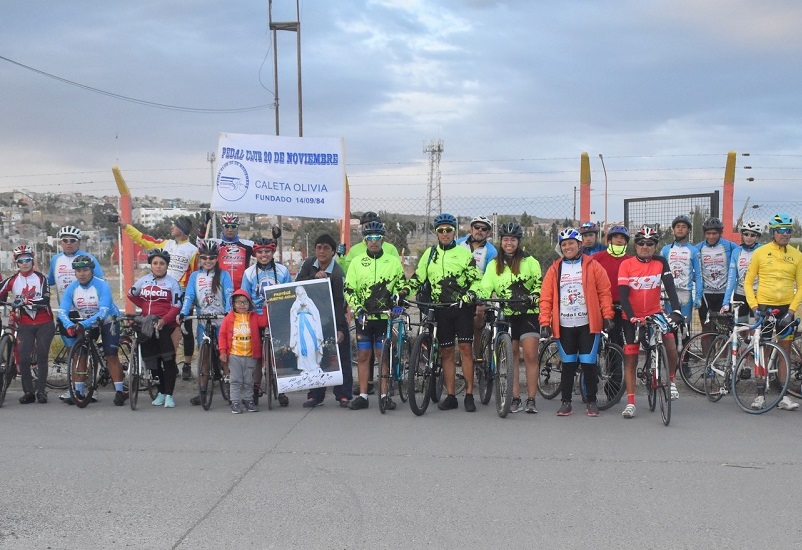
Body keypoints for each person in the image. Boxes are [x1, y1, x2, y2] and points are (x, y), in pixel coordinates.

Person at [401, 213, 481, 412]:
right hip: (440, 309)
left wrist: (470, 295)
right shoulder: (430, 254)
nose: (445, 234)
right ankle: (451, 395)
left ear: (454, 231)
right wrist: (404, 291)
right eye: (441, 230)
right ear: (436, 232)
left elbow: (477, 281)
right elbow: (419, 279)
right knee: (446, 352)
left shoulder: (464, 254)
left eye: (448, 230)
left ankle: (469, 394)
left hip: (462, 308)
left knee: (465, 350)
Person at [539, 228, 615, 416]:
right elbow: (546, 297)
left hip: (588, 323)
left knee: (589, 364)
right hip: (564, 324)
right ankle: (566, 402)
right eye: (564, 244)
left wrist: (607, 315)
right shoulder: (555, 268)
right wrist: (544, 321)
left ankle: (592, 401)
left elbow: (604, 291)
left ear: (579, 244)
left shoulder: (593, 265)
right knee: (568, 365)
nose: (567, 247)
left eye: (571, 243)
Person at [119, 215, 198, 380]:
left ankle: (187, 364)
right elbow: (144, 240)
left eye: (174, 225)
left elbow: (194, 275)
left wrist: (192, 300)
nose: (171, 228)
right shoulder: (166, 244)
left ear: (182, 229)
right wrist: (126, 226)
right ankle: (167, 364)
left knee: (185, 330)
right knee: (163, 330)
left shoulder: (193, 250)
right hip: (162, 292)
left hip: (181, 293)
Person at [618, 227, 685, 418]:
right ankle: (631, 402)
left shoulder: (661, 262)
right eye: (641, 243)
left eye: (650, 244)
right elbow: (623, 296)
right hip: (632, 316)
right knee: (631, 358)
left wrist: (677, 310)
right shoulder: (627, 264)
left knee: (670, 343)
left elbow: (671, 289)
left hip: (655, 313)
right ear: (635, 245)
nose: (645, 247)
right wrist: (632, 317)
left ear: (655, 246)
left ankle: (671, 382)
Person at [478, 222, 542, 413]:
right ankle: (514, 398)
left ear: (518, 242)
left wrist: (535, 295)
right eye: (505, 239)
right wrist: (479, 296)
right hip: (506, 313)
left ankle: (531, 399)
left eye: (512, 239)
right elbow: (485, 286)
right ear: (501, 242)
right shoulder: (493, 264)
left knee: (530, 355)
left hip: (528, 312)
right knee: (511, 356)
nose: (509, 243)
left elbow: (539, 283)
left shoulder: (530, 261)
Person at [343, 222, 406, 411]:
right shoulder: (356, 262)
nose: (373, 242)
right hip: (364, 316)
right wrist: (357, 307)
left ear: (382, 239)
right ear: (365, 240)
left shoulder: (392, 262)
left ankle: (385, 394)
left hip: (384, 317)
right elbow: (349, 288)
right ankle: (363, 395)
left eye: (377, 238)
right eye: (369, 238)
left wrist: (397, 303)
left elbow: (401, 286)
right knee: (363, 355)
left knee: (382, 355)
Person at [743, 213, 802, 411]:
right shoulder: (761, 253)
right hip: (764, 308)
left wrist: (792, 311)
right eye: (782, 231)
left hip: (786, 309)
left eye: (788, 230)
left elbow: (801, 287)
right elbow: (748, 282)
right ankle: (760, 395)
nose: (786, 234)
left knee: (785, 350)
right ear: (773, 232)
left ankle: (783, 397)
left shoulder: (797, 255)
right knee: (763, 351)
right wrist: (753, 306)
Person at [58, 255, 126, 406]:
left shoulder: (102, 285)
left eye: (85, 270)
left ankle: (120, 391)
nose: (82, 273)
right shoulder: (72, 288)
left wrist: (84, 324)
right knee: (81, 353)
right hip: (87, 323)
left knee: (110, 355)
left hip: (108, 320)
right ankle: (79, 390)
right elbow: (62, 311)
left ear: (92, 271)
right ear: (75, 273)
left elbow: (103, 311)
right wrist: (69, 325)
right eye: (78, 270)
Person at [296, 234, 353, 408]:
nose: (321, 251)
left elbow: (339, 303)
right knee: (314, 355)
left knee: (340, 354)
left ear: (333, 252)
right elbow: (296, 284)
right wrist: (314, 279)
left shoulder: (337, 273)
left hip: (332, 317)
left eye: (326, 248)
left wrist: (341, 329)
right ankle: (315, 395)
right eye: (319, 247)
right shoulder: (308, 264)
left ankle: (343, 394)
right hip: (311, 317)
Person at [180, 241, 234, 406]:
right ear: (200, 258)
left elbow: (228, 293)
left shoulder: (224, 275)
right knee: (204, 357)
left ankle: (232, 389)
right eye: (204, 258)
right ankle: (202, 390)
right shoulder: (195, 276)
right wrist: (183, 311)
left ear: (217, 259)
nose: (208, 261)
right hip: (204, 320)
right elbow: (189, 296)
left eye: (211, 258)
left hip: (221, 320)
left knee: (225, 356)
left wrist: (228, 311)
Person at [0, 245, 56, 404]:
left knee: (42, 355)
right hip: (24, 324)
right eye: (20, 261)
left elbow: (44, 300)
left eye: (27, 259)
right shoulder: (12, 280)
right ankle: (28, 392)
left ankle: (41, 391)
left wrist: (24, 300)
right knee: (23, 358)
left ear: (33, 260)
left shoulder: (41, 278)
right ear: (16, 263)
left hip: (44, 322)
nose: (24, 263)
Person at [127, 249, 183, 408]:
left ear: (167, 265)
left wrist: (164, 320)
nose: (158, 266)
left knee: (168, 360)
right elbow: (131, 294)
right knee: (153, 361)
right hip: (147, 324)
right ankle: (161, 392)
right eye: (155, 263)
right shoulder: (143, 280)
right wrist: (144, 308)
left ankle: (170, 395)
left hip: (165, 325)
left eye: (162, 264)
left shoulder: (172, 283)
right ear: (151, 265)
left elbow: (177, 306)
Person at [241, 236, 291, 406]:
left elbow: (289, 294)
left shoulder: (283, 271)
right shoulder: (248, 273)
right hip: (256, 315)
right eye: (260, 252)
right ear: (255, 253)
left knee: (280, 354)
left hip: (277, 315)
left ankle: (282, 389)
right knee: (256, 356)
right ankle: (255, 390)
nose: (264, 255)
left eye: (267, 251)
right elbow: (244, 296)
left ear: (273, 252)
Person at [591, 225, 631, 397]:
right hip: (600, 306)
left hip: (621, 307)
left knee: (616, 346)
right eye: (616, 237)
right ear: (609, 240)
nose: (619, 240)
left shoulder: (630, 260)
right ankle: (589, 384)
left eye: (622, 238)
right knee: (593, 345)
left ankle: (613, 387)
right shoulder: (597, 258)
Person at [218, 289, 268, 413]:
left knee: (248, 380)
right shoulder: (229, 318)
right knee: (235, 380)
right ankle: (235, 401)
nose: (242, 305)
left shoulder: (253, 316)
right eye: (239, 302)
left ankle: (248, 400)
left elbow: (265, 322)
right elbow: (222, 335)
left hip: (250, 354)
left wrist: (266, 308)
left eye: (245, 302)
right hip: (234, 354)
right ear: (233, 304)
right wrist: (223, 351)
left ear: (249, 304)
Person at [456, 215, 498, 360]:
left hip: (479, 293)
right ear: (471, 228)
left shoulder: (491, 252)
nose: (479, 231)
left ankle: (478, 356)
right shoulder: (458, 244)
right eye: (476, 227)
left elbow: (490, 277)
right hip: (457, 291)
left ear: (488, 233)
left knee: (477, 320)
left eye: (484, 229)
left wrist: (481, 302)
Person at [694, 217, 738, 332]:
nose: (711, 237)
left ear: (720, 233)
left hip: (724, 294)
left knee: (723, 329)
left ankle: (722, 350)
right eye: (708, 233)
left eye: (715, 233)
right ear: (704, 234)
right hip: (705, 294)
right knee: (706, 329)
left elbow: (743, 254)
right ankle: (706, 351)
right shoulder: (698, 248)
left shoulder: (729, 246)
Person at [660, 215, 703, 326]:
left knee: (686, 330)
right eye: (677, 226)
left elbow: (698, 275)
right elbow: (659, 273)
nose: (680, 229)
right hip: (669, 293)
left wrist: (698, 297)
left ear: (688, 230)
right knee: (671, 328)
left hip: (686, 293)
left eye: (683, 227)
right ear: (673, 229)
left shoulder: (694, 251)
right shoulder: (665, 250)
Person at [197, 212, 253, 290]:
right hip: (220, 288)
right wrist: (205, 223)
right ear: (222, 227)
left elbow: (266, 251)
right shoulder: (216, 243)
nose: (230, 230)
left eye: (233, 226)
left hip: (242, 289)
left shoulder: (248, 245)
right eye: (227, 226)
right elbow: (199, 243)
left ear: (237, 228)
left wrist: (275, 237)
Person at [48, 225, 104, 303]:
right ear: (60, 242)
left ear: (78, 242)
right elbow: (50, 281)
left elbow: (102, 282)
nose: (68, 243)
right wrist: (35, 273)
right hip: (65, 308)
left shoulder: (88, 258)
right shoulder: (55, 259)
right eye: (65, 240)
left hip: (87, 307)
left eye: (72, 240)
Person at [722, 221, 762, 321]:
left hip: (757, 293)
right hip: (740, 293)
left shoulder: (762, 250)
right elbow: (731, 278)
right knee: (740, 326)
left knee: (755, 326)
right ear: (742, 235)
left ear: (757, 237)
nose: (749, 237)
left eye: (753, 235)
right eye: (746, 234)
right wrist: (726, 301)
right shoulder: (736, 252)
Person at [289, 285, 324, 375]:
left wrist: (307, 307)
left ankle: (314, 366)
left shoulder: (310, 301)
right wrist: (299, 307)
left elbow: (315, 313)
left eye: (302, 293)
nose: (301, 295)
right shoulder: (295, 304)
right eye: (298, 293)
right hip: (300, 327)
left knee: (312, 345)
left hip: (310, 325)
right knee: (302, 346)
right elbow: (293, 313)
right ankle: (305, 368)